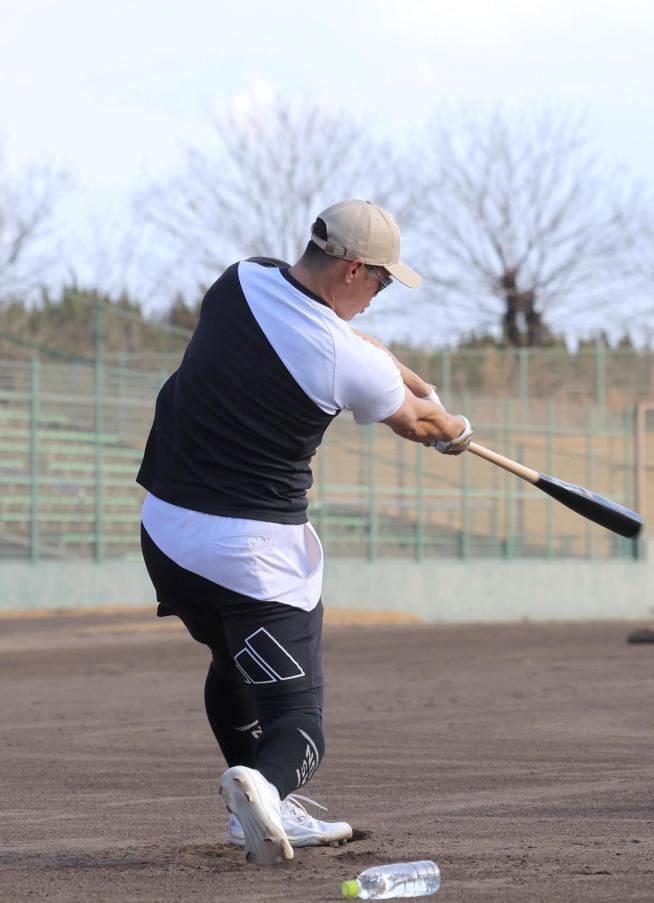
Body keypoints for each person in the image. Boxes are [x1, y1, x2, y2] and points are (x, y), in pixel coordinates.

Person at [136, 199, 472, 865]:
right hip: (253, 557)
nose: (379, 295)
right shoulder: (344, 359)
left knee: (230, 659)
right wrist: (455, 427)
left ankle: (252, 800)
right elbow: (421, 425)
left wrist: (418, 381)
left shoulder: (240, 280)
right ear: (353, 269)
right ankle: (266, 784)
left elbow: (369, 354)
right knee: (300, 724)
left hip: (168, 535)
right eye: (380, 281)